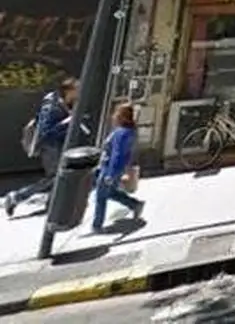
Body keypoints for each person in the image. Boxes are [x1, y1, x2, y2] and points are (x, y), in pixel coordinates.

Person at [4, 78, 78, 218]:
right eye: (77, 89)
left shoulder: (68, 102)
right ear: (69, 90)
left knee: (59, 176)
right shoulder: (52, 106)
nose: (79, 92)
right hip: (50, 147)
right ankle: (16, 196)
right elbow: (46, 132)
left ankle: (52, 205)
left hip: (59, 145)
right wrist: (68, 122)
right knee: (55, 177)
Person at [92, 103, 144, 233]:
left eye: (117, 114)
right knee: (110, 193)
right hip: (113, 168)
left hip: (109, 168)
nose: (114, 116)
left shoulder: (121, 133)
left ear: (123, 117)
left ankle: (97, 225)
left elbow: (117, 154)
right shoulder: (128, 132)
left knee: (101, 197)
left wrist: (110, 174)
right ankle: (134, 204)